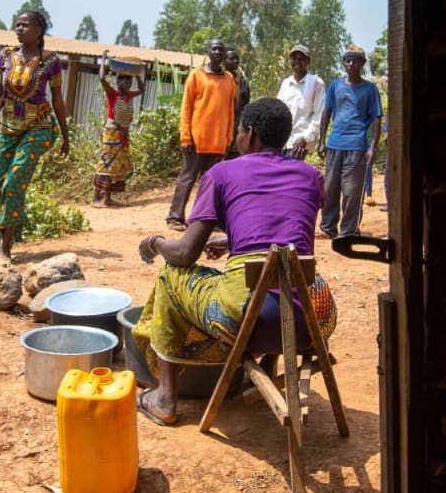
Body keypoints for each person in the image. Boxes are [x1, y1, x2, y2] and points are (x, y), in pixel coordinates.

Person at [132, 98, 338, 426]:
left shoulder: (222, 173)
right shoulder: (311, 175)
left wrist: (155, 243)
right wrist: (231, 241)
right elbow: (284, 229)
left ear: (250, 133)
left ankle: (165, 397)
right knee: (283, 273)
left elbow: (185, 253)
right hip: (312, 319)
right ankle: (267, 370)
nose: (237, 137)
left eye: (239, 130)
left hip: (249, 322)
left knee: (171, 275)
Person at [0, 10, 71, 260]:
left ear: (39, 30)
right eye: (17, 25)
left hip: (39, 126)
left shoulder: (51, 60)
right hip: (9, 128)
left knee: (14, 180)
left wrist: (65, 137)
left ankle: (5, 245)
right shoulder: (5, 56)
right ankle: (10, 230)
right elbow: (0, 94)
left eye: (25, 25)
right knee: (1, 184)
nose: (19, 28)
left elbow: (58, 100)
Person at [166, 38, 236, 231]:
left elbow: (230, 111)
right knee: (187, 179)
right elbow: (186, 108)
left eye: (220, 49)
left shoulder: (229, 79)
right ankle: (175, 217)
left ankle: (201, 220)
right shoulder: (196, 75)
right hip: (196, 141)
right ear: (207, 51)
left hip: (217, 142)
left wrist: (228, 139)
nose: (217, 52)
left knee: (210, 185)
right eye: (214, 49)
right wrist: (185, 137)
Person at [316, 44, 382, 240]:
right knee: (330, 189)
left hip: (357, 145)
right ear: (344, 62)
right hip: (335, 143)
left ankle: (348, 231)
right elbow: (326, 113)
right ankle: (328, 227)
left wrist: (373, 147)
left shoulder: (370, 89)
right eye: (347, 60)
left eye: (355, 60)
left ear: (362, 63)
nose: (351, 64)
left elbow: (377, 117)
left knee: (352, 193)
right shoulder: (335, 86)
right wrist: (322, 141)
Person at [91, 52, 143, 208]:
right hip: (112, 133)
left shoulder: (130, 95)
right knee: (106, 164)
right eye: (125, 82)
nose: (127, 85)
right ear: (118, 82)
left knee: (116, 166)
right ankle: (95, 198)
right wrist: (103, 59)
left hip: (123, 134)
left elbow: (142, 89)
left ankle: (107, 198)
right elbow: (101, 78)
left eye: (129, 82)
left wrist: (138, 73)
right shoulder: (112, 93)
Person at [275, 43, 325, 160]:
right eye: (294, 58)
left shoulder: (316, 83)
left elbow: (319, 116)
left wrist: (305, 139)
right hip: (282, 142)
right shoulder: (286, 83)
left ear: (307, 61)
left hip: (300, 144)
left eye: (302, 59)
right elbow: (277, 110)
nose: (298, 62)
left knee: (292, 177)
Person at [222, 46, 250, 160]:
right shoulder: (218, 79)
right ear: (223, 61)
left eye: (237, 58)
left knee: (234, 157)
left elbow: (246, 104)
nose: (235, 61)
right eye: (231, 58)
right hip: (221, 127)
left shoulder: (243, 82)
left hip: (236, 126)